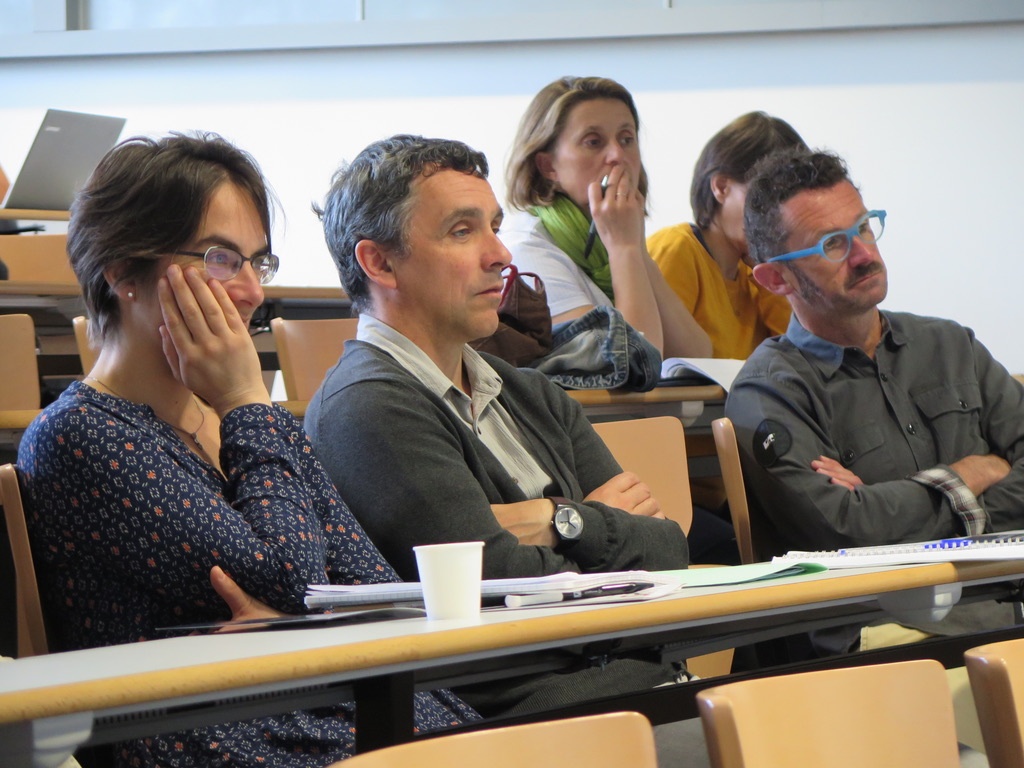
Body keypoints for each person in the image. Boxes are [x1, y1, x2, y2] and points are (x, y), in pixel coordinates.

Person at [17, 133, 477, 768]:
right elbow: (296, 575)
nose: (253, 291)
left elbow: (376, 592)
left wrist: (296, 619)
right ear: (122, 270)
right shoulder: (81, 435)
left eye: (258, 262)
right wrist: (243, 399)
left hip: (340, 714)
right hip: (229, 737)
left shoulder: (245, 424)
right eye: (221, 259)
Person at [307, 134, 703, 721]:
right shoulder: (367, 406)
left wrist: (554, 521)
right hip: (517, 724)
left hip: (629, 692)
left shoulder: (531, 392)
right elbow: (490, 577)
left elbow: (666, 549)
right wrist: (591, 527)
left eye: (494, 226)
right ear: (380, 262)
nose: (500, 254)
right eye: (462, 231)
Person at [725, 146, 1023, 648]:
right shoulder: (769, 391)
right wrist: (973, 475)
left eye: (864, 227)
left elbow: (867, 523)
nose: (865, 254)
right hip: (880, 637)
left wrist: (895, 506)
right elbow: (844, 533)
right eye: (833, 244)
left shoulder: (951, 344)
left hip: (1003, 611)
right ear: (777, 277)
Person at [502, 76, 712, 359]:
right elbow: (631, 362)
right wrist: (624, 248)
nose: (617, 155)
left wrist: (635, 248)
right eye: (593, 142)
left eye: (626, 139)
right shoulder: (528, 251)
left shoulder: (613, 237)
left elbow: (697, 354)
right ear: (548, 166)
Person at [647, 112, 803, 358]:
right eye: (766, 197)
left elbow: (800, 355)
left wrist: (770, 267)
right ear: (721, 187)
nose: (779, 215)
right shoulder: (678, 248)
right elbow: (653, 359)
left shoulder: (754, 275)